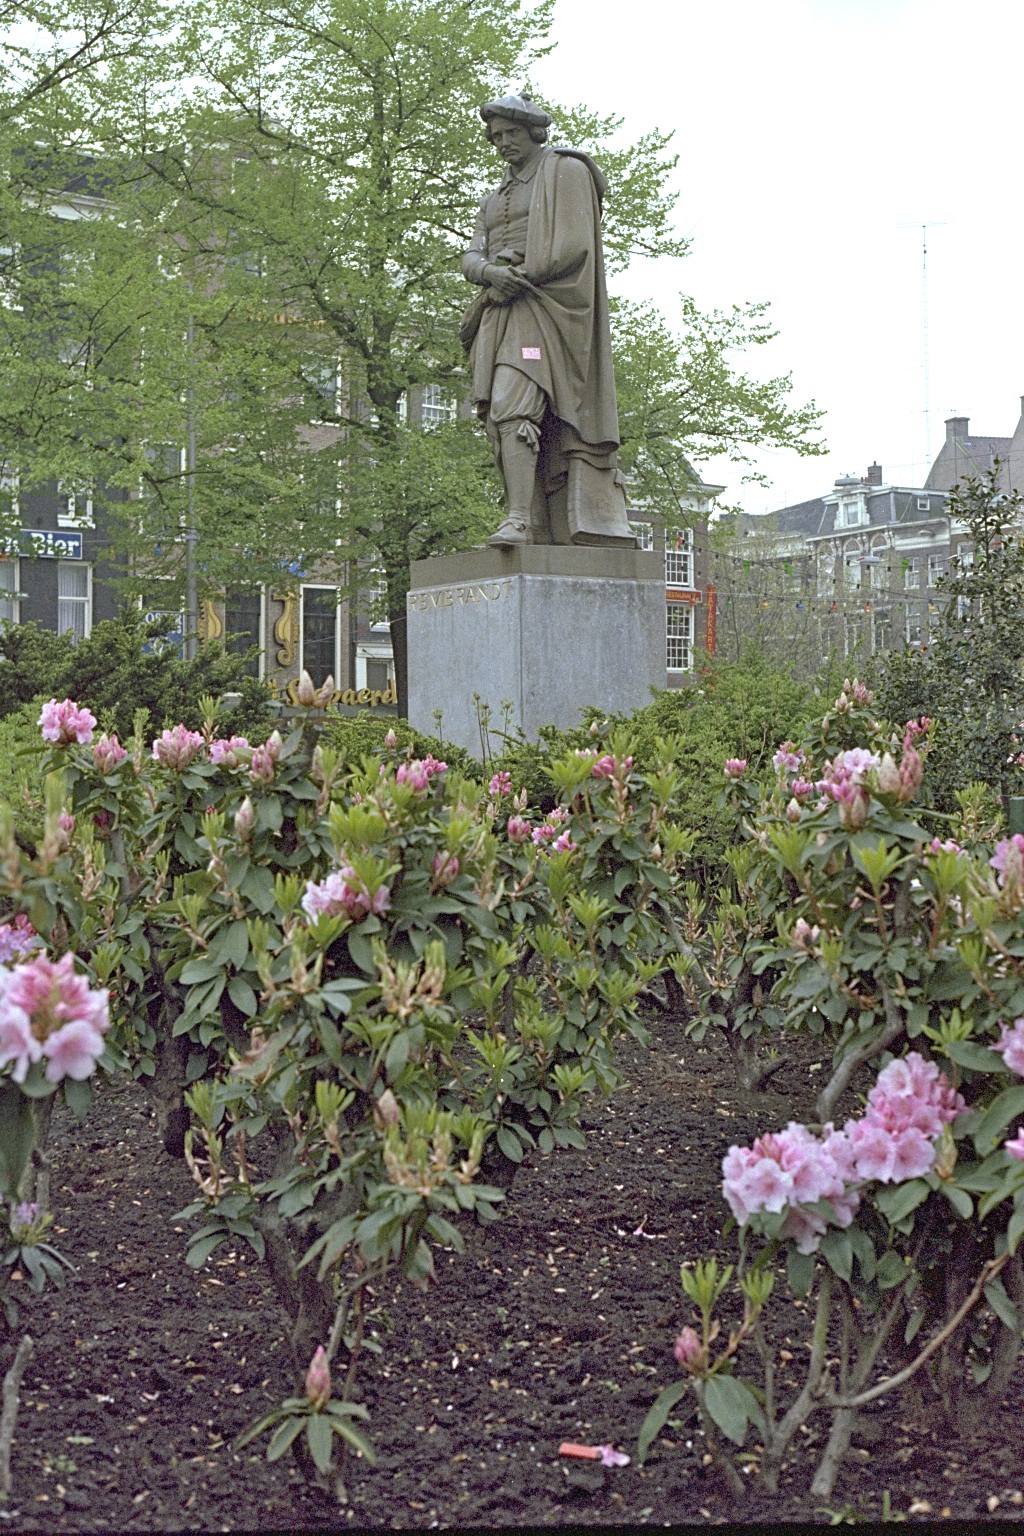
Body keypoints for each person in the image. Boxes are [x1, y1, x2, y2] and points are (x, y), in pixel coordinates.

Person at [460, 94, 636, 548]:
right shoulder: (492, 198)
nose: (502, 143)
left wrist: (519, 272)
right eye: (495, 137)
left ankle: (520, 520)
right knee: (498, 418)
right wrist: (490, 273)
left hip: (546, 313)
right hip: (500, 311)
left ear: (535, 131)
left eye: (511, 134)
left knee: (510, 402)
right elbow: (471, 254)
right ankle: (530, 516)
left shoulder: (567, 172)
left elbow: (575, 245)